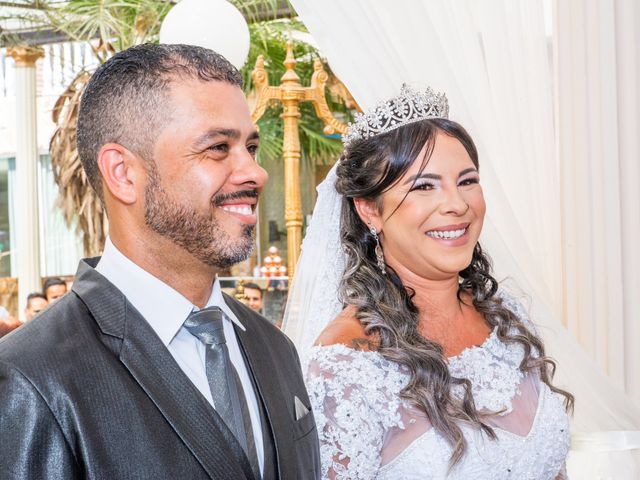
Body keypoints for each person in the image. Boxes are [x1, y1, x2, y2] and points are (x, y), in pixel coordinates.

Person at [0, 43, 319, 480]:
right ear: (124, 173)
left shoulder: (274, 348)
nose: (255, 172)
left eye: (251, 146)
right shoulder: (31, 377)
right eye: (218, 147)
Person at [284, 85, 573, 479]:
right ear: (370, 209)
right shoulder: (346, 366)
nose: (457, 204)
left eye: (467, 180)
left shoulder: (505, 319)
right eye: (424, 186)